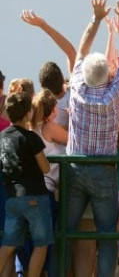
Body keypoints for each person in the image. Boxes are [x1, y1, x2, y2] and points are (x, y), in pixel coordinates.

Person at [65, 0, 119, 277]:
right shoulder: (115, 93)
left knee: (66, 233)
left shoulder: (77, 87)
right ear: (107, 74)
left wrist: (95, 19)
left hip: (75, 167)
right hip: (104, 170)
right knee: (107, 237)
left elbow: (81, 50)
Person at [0, 92, 52, 277]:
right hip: (35, 197)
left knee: (7, 245)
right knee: (41, 244)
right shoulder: (31, 138)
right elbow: (45, 168)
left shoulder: (2, 137)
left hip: (12, 199)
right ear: (28, 114)